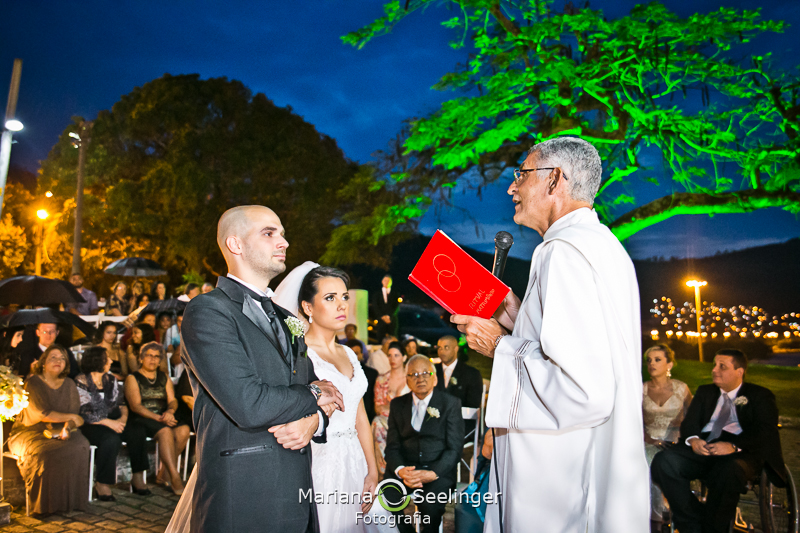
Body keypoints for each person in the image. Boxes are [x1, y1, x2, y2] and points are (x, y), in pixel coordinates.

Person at [452, 137, 649, 532]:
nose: (512, 188)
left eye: (521, 175)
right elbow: (579, 347)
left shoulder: (564, 252)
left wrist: (498, 346)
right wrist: (518, 316)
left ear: (554, 179)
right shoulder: (601, 246)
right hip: (572, 460)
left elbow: (583, 388)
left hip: (558, 478)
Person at [170, 205, 343, 533]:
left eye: (282, 232)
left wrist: (315, 420)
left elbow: (309, 388)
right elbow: (249, 403)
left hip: (298, 494)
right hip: (245, 497)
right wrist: (316, 394)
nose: (284, 242)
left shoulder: (287, 318)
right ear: (235, 245)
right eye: (269, 233)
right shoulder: (208, 311)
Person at [275, 262, 397, 531]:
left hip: (356, 457)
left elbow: (360, 417)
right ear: (307, 307)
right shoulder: (300, 353)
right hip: (320, 460)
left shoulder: (350, 354)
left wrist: (373, 470)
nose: (342, 305)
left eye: (344, 297)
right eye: (330, 298)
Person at [651, 350, 785, 533]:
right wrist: (694, 440)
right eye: (714, 364)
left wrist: (733, 445)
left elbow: (765, 431)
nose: (715, 370)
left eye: (722, 366)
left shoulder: (760, 395)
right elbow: (690, 422)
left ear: (740, 372)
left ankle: (713, 528)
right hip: (703, 448)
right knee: (664, 461)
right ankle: (693, 523)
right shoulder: (706, 392)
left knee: (729, 470)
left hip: (739, 453)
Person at [7, 345, 91, 514]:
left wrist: (68, 426)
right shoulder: (34, 382)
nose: (58, 361)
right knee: (45, 452)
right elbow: (40, 413)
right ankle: (44, 505)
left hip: (61, 429)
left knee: (81, 445)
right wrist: (71, 418)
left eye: (62, 358)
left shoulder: (69, 384)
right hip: (30, 430)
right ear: (43, 362)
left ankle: (71, 502)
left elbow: (75, 415)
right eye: (53, 357)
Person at [384, 354, 464, 533]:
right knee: (386, 495)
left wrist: (433, 473)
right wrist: (400, 470)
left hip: (438, 471)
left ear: (434, 378)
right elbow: (392, 447)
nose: (420, 378)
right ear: (407, 380)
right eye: (414, 374)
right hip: (407, 470)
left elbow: (454, 449)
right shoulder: (398, 405)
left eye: (425, 373)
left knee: (431, 503)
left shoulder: (450, 404)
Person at [76, 346, 151, 500]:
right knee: (111, 440)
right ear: (97, 361)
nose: (110, 361)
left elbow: (122, 405)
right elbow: (84, 411)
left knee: (137, 431)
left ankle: (137, 476)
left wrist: (122, 419)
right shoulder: (81, 380)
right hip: (92, 424)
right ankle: (102, 483)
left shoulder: (110, 379)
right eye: (107, 358)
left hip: (115, 420)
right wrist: (109, 423)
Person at [124, 341, 190, 495]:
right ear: (141, 358)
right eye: (149, 356)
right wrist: (160, 418)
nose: (152, 360)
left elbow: (172, 400)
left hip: (163, 416)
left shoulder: (163, 377)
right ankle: (175, 478)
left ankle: (163, 473)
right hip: (141, 418)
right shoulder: (133, 378)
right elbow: (136, 406)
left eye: (156, 357)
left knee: (184, 430)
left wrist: (170, 412)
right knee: (166, 431)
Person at [642, 344, 692, 522]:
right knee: (649, 459)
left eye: (657, 360)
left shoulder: (681, 389)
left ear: (669, 364)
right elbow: (634, 421)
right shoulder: (641, 390)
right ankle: (657, 516)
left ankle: (675, 509)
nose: (652, 364)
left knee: (670, 463)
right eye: (649, 360)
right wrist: (648, 438)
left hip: (676, 442)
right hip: (649, 440)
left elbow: (694, 418)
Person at [372, 341, 410, 475]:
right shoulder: (382, 379)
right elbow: (378, 407)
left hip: (408, 420)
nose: (392, 359)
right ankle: (385, 468)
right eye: (389, 355)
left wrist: (389, 406)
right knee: (377, 421)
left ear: (404, 357)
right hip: (388, 421)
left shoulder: (411, 378)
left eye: (396, 355)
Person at [434, 335, 483, 439]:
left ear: (456, 349)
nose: (441, 351)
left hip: (461, 427)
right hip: (434, 425)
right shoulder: (432, 371)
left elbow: (472, 405)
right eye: (439, 348)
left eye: (446, 347)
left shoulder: (471, 374)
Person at [15, 323, 80, 380]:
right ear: (38, 332)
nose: (48, 335)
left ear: (57, 333)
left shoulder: (65, 353)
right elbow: (21, 378)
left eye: (52, 332)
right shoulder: (28, 354)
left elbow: (74, 374)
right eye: (44, 332)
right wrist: (31, 373)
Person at [349, 339, 379, 422]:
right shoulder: (339, 375)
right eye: (350, 354)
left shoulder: (372, 374)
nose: (353, 357)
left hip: (368, 418)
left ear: (361, 355)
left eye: (356, 353)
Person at [373, 275, 398, 342]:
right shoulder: (377, 294)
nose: (387, 282)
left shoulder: (395, 294)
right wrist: (382, 316)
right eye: (385, 280)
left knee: (392, 338)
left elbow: (396, 306)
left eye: (388, 281)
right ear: (382, 281)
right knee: (380, 339)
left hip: (391, 320)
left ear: (391, 283)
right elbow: (375, 306)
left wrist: (389, 316)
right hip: (381, 321)